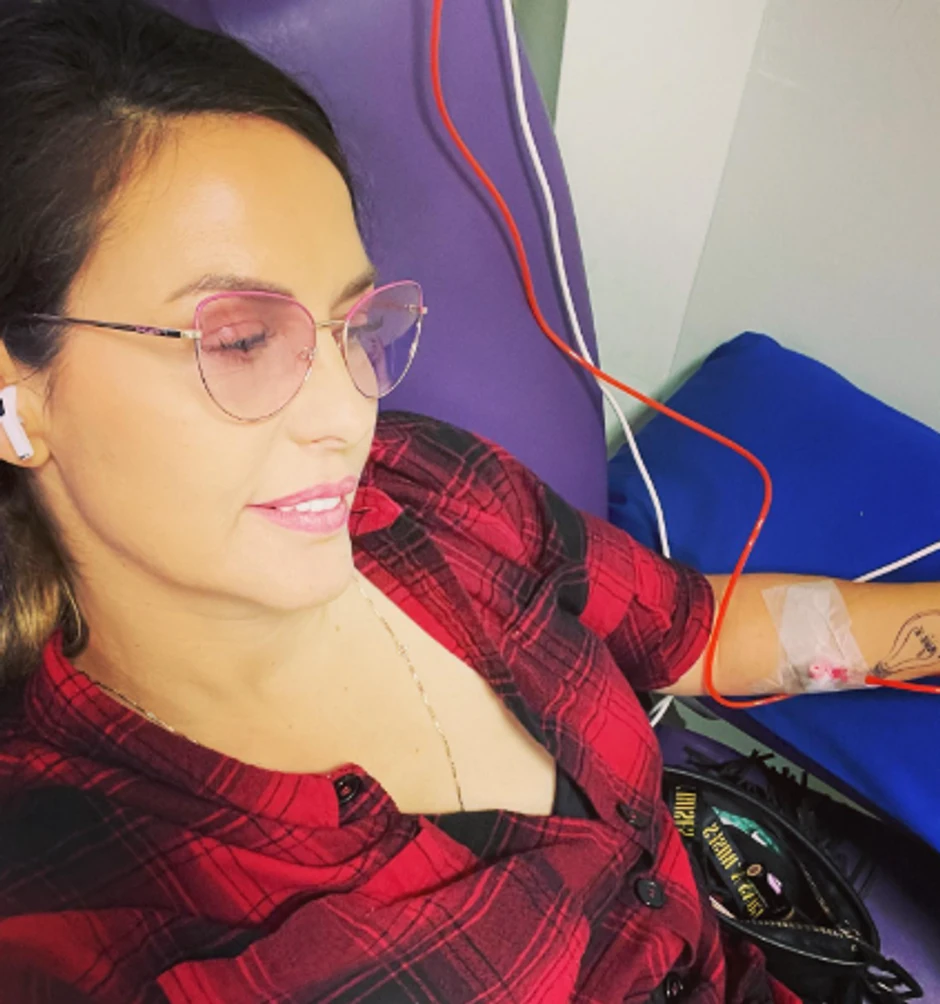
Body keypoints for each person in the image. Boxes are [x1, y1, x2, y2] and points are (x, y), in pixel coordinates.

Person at [0, 2, 937, 1001]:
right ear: (18, 399)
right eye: (240, 340)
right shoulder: (97, 922)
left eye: (354, 326)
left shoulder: (423, 490)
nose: (348, 413)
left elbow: (688, 629)